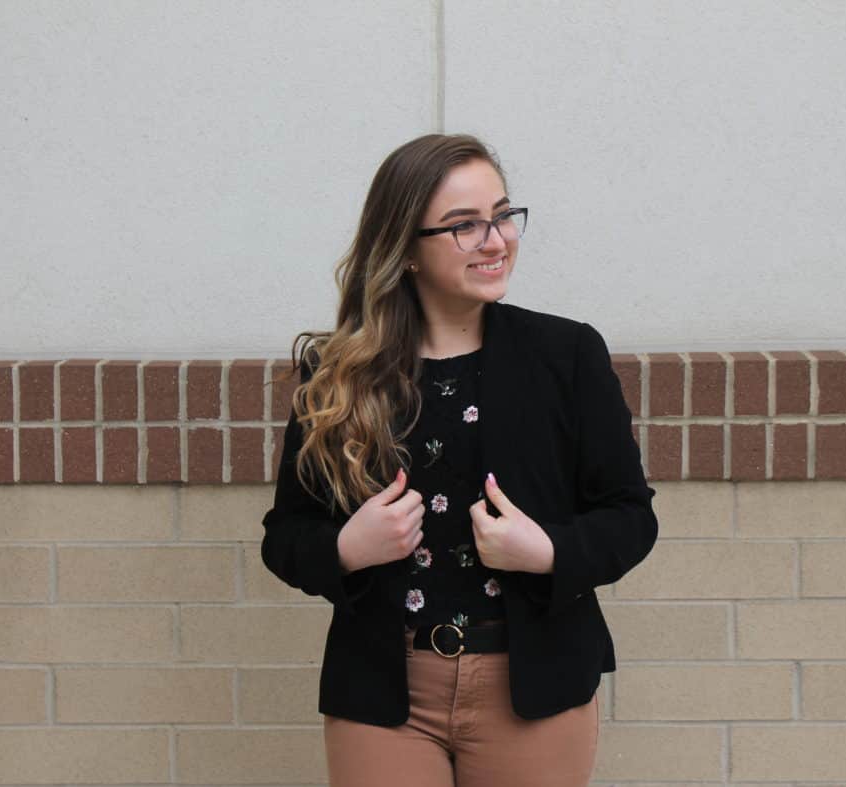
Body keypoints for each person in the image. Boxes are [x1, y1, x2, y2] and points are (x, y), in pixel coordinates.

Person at [261, 133, 658, 787]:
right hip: (384, 695)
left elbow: (630, 517)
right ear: (406, 249)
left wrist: (548, 550)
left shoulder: (568, 356)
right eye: (464, 226)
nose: (496, 239)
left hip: (531, 688)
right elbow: (286, 537)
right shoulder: (337, 374)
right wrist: (347, 548)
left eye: (503, 215)